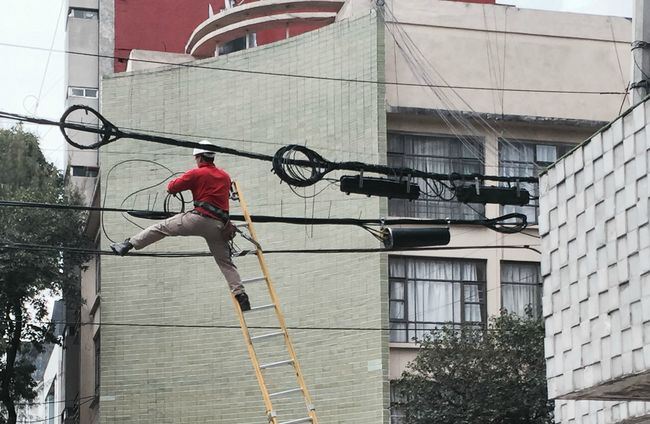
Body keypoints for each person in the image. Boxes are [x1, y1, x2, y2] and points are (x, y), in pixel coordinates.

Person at [109, 140, 251, 311]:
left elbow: (171, 187)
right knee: (225, 263)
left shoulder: (196, 174)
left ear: (199, 157)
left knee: (161, 228)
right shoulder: (225, 176)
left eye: (196, 158)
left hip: (198, 219)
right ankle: (240, 294)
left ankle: (128, 244)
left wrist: (186, 179)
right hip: (219, 225)